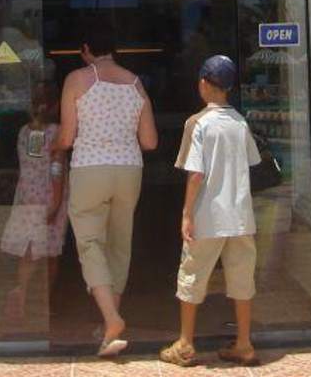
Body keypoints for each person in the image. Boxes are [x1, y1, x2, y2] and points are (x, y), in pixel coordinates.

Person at [56, 20, 157, 357]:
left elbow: (67, 137)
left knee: (90, 244)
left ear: (86, 50)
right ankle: (108, 328)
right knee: (119, 245)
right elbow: (150, 141)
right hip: (129, 169)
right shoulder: (136, 84)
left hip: (90, 168)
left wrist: (52, 146)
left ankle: (112, 319)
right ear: (115, 49)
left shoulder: (77, 80)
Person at [160, 55, 260, 368]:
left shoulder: (198, 123)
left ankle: (185, 343)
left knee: (192, 275)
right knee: (242, 279)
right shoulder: (240, 122)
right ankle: (244, 343)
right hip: (240, 216)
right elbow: (251, 162)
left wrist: (187, 213)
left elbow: (196, 174)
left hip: (208, 216)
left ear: (204, 83)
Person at [0, 80, 69, 321]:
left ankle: (22, 292)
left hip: (26, 195)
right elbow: (56, 169)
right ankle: (43, 303)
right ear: (57, 105)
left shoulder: (25, 132)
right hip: (49, 196)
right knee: (50, 253)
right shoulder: (57, 133)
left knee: (28, 251)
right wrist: (56, 202)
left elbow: (31, 162)